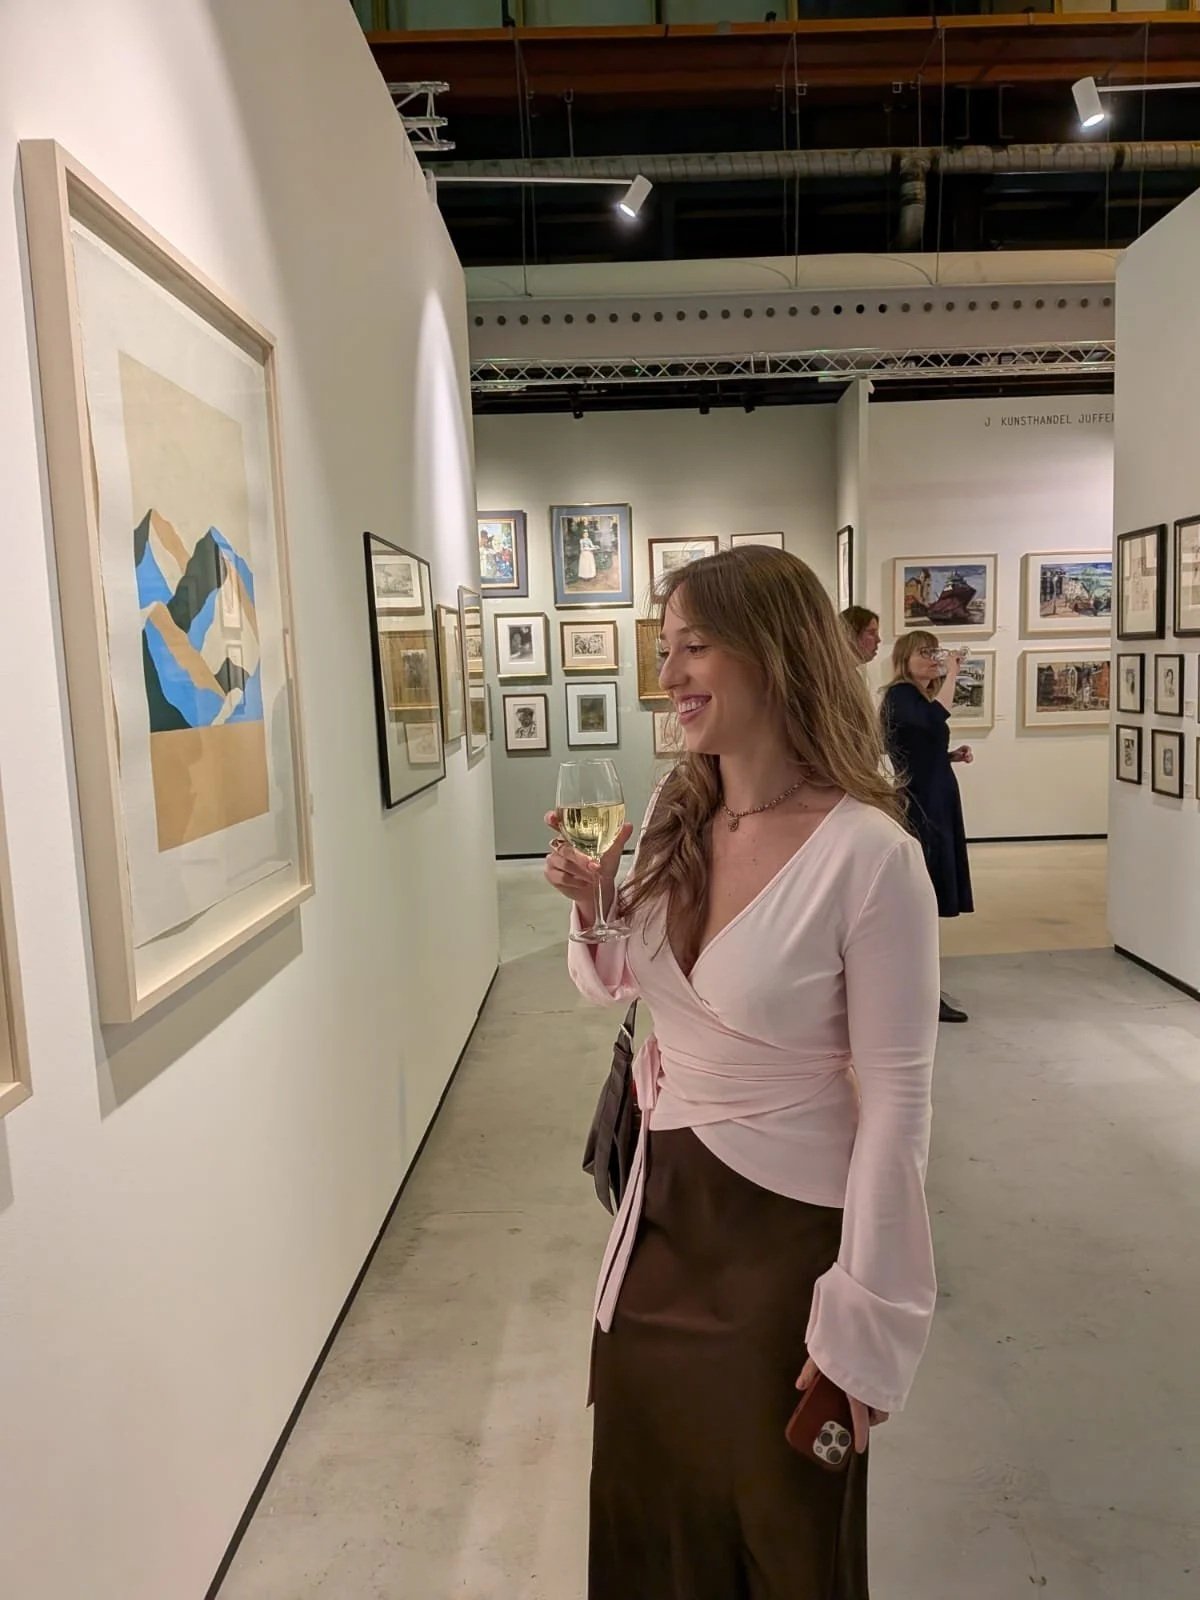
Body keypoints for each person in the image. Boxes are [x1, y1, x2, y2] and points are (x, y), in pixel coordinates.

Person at [544, 547, 940, 1600]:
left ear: (773, 653)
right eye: (663, 650)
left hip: (784, 1252)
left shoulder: (870, 857)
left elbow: (898, 1107)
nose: (670, 673)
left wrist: (866, 1314)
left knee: (780, 1534)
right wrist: (597, 905)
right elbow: (632, 984)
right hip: (663, 1224)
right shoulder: (681, 820)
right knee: (648, 1509)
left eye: (695, 647)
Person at [881, 631, 975, 1025]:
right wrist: (953, 674)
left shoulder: (915, 697)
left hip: (936, 795)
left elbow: (921, 746)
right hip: (920, 803)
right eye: (926, 653)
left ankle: (923, 988)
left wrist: (949, 755)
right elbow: (934, 719)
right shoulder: (900, 696)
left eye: (936, 653)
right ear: (905, 658)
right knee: (922, 891)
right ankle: (917, 991)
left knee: (930, 892)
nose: (934, 659)